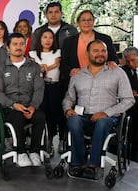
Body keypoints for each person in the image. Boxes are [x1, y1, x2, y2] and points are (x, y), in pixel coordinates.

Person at [63, 40, 134, 179]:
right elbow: (68, 98)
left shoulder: (117, 73)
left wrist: (106, 113)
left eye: (103, 51)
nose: (100, 54)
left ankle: (93, 165)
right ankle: (78, 162)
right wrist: (67, 109)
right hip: (83, 116)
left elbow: (129, 99)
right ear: (87, 53)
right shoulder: (78, 75)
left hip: (109, 117)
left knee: (102, 122)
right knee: (73, 121)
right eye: (96, 51)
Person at [0, 32, 45, 167]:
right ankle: (20, 152)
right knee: (17, 116)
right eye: (15, 44)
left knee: (40, 117)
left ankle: (34, 152)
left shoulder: (34, 67)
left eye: (22, 44)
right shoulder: (0, 68)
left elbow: (39, 90)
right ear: (8, 48)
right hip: (9, 107)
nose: (18, 47)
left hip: (29, 106)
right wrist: (12, 104)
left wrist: (33, 106)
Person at [29, 29, 63, 156]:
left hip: (54, 87)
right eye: (45, 37)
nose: (48, 40)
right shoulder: (33, 53)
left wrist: (44, 67)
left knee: (53, 114)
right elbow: (35, 68)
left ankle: (51, 141)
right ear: (40, 39)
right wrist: (42, 67)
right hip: (39, 87)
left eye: (50, 37)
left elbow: (53, 66)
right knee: (41, 113)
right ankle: (40, 142)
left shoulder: (58, 52)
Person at [121, 47, 138, 162]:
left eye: (133, 60)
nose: (131, 63)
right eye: (128, 61)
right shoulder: (123, 71)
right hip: (131, 106)